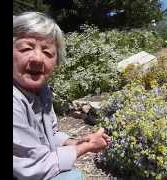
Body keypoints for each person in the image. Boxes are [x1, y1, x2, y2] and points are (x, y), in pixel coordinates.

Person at [13, 12, 111, 180]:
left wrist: (78, 142)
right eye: (26, 48)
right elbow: (33, 167)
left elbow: (50, 135)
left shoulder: (42, 91)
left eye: (48, 52)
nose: (37, 58)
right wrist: (85, 148)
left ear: (56, 62)